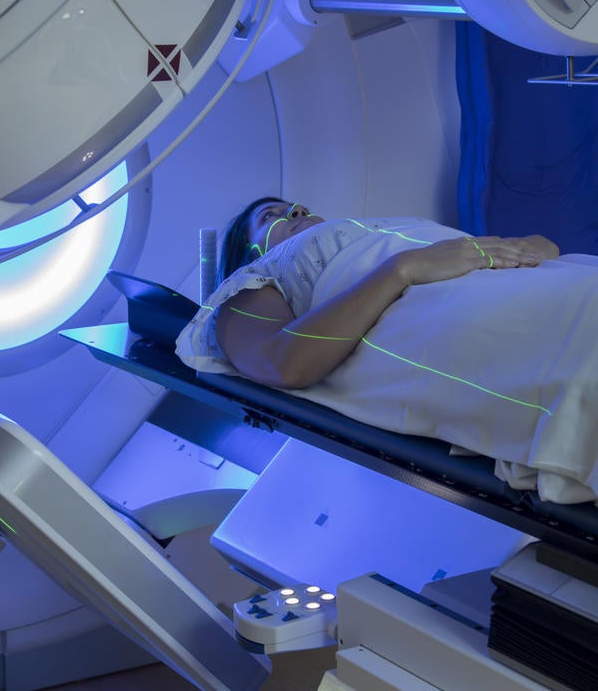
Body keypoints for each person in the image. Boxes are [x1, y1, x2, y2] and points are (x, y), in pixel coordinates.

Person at [176, 197, 598, 504]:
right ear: (248, 254)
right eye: (270, 216)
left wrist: (535, 248)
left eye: (297, 207)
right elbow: (284, 362)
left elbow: (521, 246)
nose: (297, 211)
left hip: (532, 278)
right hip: (449, 308)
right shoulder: (253, 280)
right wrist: (404, 267)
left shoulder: (382, 226)